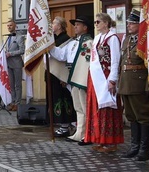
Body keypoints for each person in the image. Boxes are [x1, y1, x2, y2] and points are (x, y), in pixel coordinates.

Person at [49, 15, 93, 144]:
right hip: (72, 77)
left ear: (85, 28)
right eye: (75, 25)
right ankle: (80, 132)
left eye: (78, 25)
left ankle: (87, 134)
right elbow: (62, 55)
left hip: (81, 78)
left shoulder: (88, 42)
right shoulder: (73, 43)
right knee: (78, 107)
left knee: (85, 106)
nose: (75, 27)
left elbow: (87, 63)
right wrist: (50, 46)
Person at [85, 12, 124, 152]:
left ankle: (110, 141)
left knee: (107, 108)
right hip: (96, 77)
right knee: (97, 108)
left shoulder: (112, 38)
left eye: (98, 22)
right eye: (95, 22)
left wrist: (113, 79)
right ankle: (99, 139)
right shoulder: (97, 38)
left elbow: (115, 60)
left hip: (106, 76)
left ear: (106, 23)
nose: (96, 24)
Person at [117, 9, 149, 161]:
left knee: (142, 116)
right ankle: (135, 146)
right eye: (128, 23)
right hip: (126, 82)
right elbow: (122, 62)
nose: (129, 25)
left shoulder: (145, 40)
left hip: (138, 82)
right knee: (131, 116)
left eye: (133, 23)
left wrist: (148, 86)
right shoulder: (127, 39)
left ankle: (144, 150)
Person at [48, 17, 74, 136]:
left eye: (53, 23)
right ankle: (61, 124)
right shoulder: (53, 39)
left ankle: (65, 125)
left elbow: (63, 58)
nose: (52, 25)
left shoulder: (66, 40)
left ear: (59, 26)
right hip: (52, 74)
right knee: (55, 98)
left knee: (63, 99)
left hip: (61, 76)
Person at [4, 20, 26, 113]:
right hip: (8, 64)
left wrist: (10, 53)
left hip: (17, 63)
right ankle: (12, 102)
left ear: (15, 26)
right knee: (11, 85)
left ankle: (18, 103)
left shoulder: (19, 37)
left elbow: (22, 50)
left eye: (10, 25)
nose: (9, 27)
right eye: (8, 25)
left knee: (18, 85)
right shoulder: (7, 38)